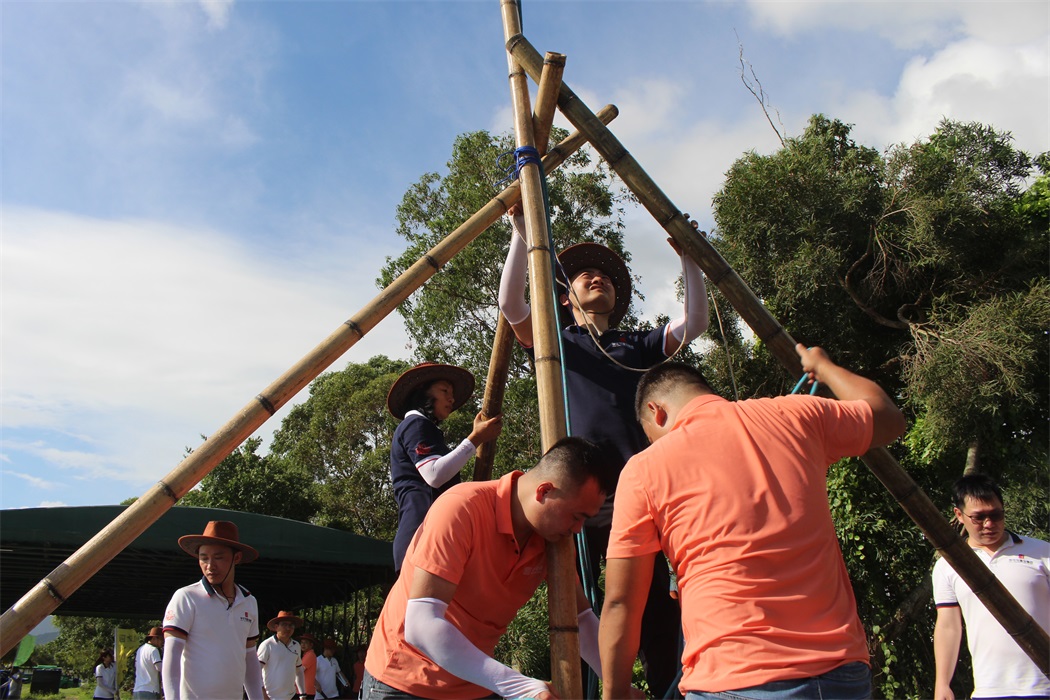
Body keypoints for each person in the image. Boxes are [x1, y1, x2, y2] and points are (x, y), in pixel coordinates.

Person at [599, 347, 908, 699]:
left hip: (729, 678)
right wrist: (824, 366)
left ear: (656, 413)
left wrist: (616, 692)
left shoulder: (644, 469)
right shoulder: (796, 414)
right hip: (838, 675)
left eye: (650, 436)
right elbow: (888, 419)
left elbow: (622, 603)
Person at [498, 204, 710, 696]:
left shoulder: (635, 346)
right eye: (584, 275)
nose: (597, 278)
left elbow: (695, 322)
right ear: (565, 297)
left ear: (617, 299)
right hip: (576, 495)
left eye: (607, 277)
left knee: (653, 608)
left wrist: (690, 260)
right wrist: (521, 233)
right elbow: (512, 306)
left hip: (636, 494)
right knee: (576, 606)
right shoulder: (557, 340)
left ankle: (664, 690)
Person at [362, 437, 621, 700]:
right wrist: (521, 688)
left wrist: (617, 683)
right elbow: (422, 625)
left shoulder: (555, 539)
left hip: (473, 685)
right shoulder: (462, 508)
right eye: (577, 516)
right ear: (543, 491)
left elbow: (581, 617)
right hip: (403, 683)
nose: (577, 530)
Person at [932, 473, 1050, 700]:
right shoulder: (948, 565)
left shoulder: (1042, 553)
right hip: (989, 690)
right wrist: (942, 684)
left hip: (1043, 687)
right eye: (979, 517)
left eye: (996, 515)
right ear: (959, 515)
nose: (989, 524)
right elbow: (949, 627)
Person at [387, 362, 503, 572]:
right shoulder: (416, 424)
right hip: (421, 538)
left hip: (427, 537)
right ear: (422, 392)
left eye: (452, 393)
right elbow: (434, 475)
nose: (452, 398)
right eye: (444, 391)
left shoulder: (423, 428)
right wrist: (475, 439)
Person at [162, 520, 264, 700]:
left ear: (236, 558)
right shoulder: (187, 597)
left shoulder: (249, 602)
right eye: (203, 558)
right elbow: (172, 656)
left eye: (218, 557)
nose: (210, 565)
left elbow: (249, 658)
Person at [258, 611, 306, 700]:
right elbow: (256, 671)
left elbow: (299, 670)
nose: (288, 628)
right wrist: (263, 694)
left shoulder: (296, 646)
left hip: (291, 696)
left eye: (291, 625)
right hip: (271, 697)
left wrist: (302, 693)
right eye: (284, 624)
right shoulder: (267, 645)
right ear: (276, 627)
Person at [132, 627, 163, 699]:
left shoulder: (140, 649)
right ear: (154, 638)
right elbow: (159, 667)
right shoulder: (154, 650)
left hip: (137, 689)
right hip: (149, 690)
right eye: (161, 639)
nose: (162, 642)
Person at [299, 633, 319, 700]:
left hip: (305, 691)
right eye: (302, 642)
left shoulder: (310, 655)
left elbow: (300, 670)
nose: (303, 644)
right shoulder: (306, 655)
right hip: (304, 690)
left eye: (306, 643)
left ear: (311, 644)